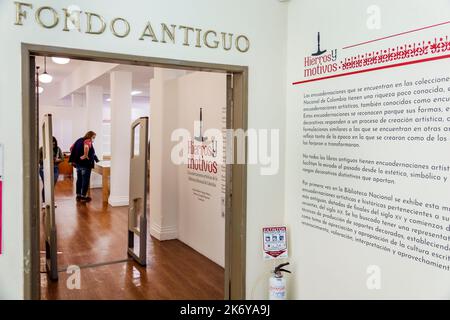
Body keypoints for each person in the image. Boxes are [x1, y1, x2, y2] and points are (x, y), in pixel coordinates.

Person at [69, 131, 99, 203]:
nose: (93, 139)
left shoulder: (79, 140)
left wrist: (77, 156)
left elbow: (71, 148)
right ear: (90, 136)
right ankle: (83, 196)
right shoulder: (88, 140)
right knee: (85, 180)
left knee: (79, 180)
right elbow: (86, 147)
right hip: (86, 165)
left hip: (78, 164)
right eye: (93, 137)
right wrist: (85, 155)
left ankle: (78, 195)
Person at [39, 136, 63, 205]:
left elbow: (62, 158)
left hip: (55, 168)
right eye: (51, 142)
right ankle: (44, 202)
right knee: (46, 185)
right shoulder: (42, 149)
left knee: (52, 185)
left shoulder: (57, 149)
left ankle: (51, 201)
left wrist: (58, 160)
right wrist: (47, 160)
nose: (52, 143)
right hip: (43, 168)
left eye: (53, 142)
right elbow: (38, 160)